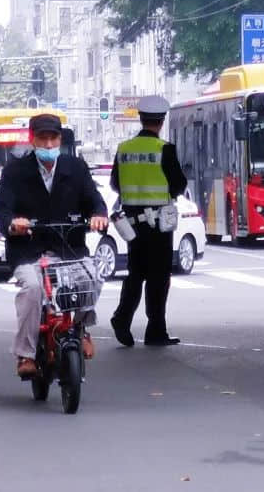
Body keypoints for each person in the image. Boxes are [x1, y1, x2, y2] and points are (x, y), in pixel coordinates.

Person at [0, 114, 108, 379]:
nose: (48, 143)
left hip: (69, 248)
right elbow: (2, 209)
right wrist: (13, 223)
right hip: (29, 251)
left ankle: (80, 329)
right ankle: (25, 354)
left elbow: (95, 200)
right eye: (42, 138)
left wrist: (99, 215)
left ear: (60, 140)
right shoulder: (15, 171)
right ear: (33, 139)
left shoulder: (76, 168)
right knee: (32, 289)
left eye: (53, 138)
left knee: (93, 279)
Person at [108, 95, 188, 347]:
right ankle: (155, 331)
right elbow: (179, 184)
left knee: (136, 274)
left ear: (141, 118)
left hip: (132, 224)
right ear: (161, 121)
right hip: (158, 224)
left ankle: (122, 319)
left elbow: (114, 183)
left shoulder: (124, 149)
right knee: (159, 276)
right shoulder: (164, 149)